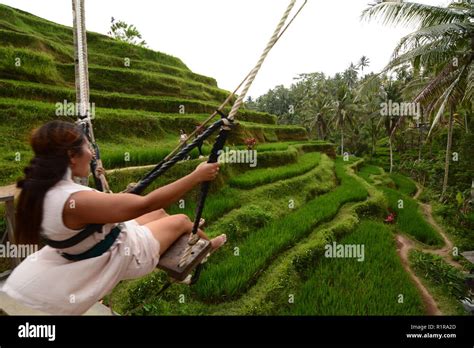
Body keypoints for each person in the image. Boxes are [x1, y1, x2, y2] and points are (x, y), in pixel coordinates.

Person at [1, 120, 226, 315]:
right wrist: (196, 176)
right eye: (87, 147)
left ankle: (184, 243)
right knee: (181, 221)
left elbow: (111, 210)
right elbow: (147, 203)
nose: (91, 154)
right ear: (71, 156)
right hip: (124, 252)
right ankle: (208, 249)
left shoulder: (38, 190)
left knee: (157, 215)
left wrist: (121, 198)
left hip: (100, 238)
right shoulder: (75, 201)